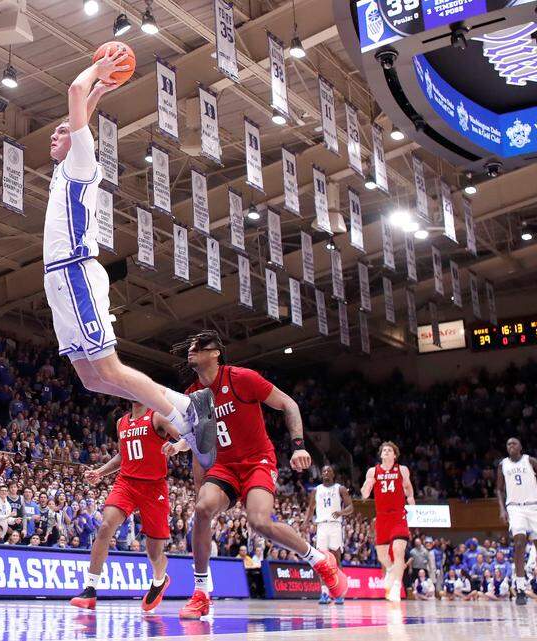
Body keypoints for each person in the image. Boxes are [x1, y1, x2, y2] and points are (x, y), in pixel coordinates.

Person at [40, 44, 215, 468]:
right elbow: (82, 103)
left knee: (111, 369)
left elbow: (72, 92)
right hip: (58, 279)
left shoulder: (82, 161)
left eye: (62, 132)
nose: (54, 135)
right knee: (90, 379)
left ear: (79, 140)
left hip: (76, 272)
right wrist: (101, 87)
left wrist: (94, 74)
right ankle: (181, 402)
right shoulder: (64, 170)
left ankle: (184, 419)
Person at [173, 330, 346, 618]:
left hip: (257, 462)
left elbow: (288, 404)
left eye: (198, 346)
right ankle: (201, 592)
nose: (191, 349)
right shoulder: (193, 396)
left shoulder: (241, 378)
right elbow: (197, 446)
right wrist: (199, 485)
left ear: (215, 352)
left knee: (259, 522)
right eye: (190, 345)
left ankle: (319, 560)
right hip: (223, 466)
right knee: (202, 509)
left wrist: (299, 446)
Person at [70, 402, 182, 611]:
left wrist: (177, 445)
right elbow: (123, 456)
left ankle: (160, 581)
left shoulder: (157, 416)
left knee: (154, 553)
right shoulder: (122, 422)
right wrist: (100, 472)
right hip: (127, 482)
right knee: (105, 527)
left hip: (154, 487)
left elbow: (185, 435)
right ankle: (90, 589)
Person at [496, 437, 537, 608]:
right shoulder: (503, 465)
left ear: (521, 446)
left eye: (514, 443)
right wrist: (502, 509)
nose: (511, 446)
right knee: (519, 542)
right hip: (515, 507)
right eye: (508, 444)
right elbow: (499, 489)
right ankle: (520, 587)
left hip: (534, 506)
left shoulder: (530, 460)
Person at [361, 441, 415, 602]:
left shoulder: (402, 469)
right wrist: (367, 486)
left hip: (398, 515)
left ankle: (397, 586)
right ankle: (392, 570)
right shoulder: (373, 471)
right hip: (382, 517)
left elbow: (409, 489)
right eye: (383, 450)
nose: (385, 452)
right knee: (382, 556)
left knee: (398, 551)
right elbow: (364, 494)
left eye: (389, 450)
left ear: (394, 455)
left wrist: (411, 501)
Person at [303, 465, 354, 605]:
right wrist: (305, 522)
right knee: (322, 561)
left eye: (328, 471)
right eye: (323, 471)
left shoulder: (340, 488)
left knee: (336, 560)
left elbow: (350, 507)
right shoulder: (316, 490)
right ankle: (324, 593)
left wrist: (341, 512)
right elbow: (311, 508)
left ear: (333, 474)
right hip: (321, 526)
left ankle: (339, 593)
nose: (325, 473)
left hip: (335, 525)